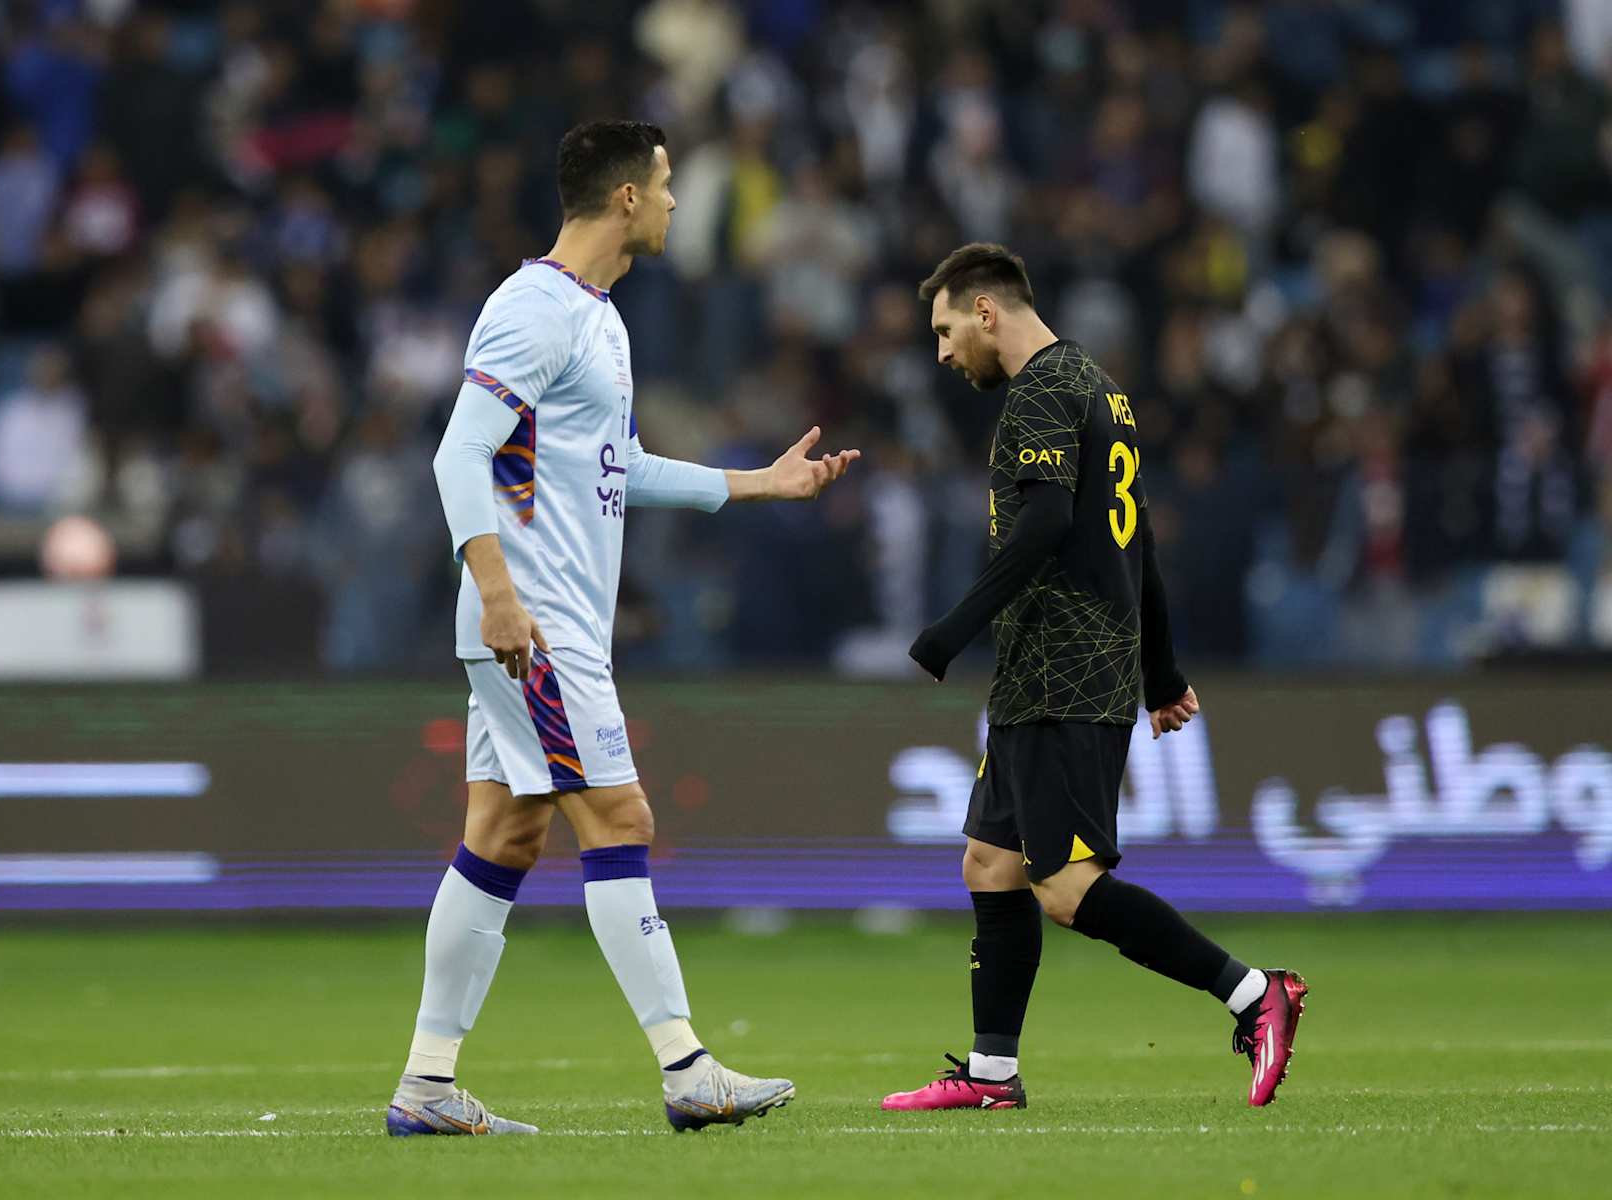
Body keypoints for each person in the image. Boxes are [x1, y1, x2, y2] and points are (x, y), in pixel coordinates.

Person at [395, 120, 860, 1137]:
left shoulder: (600, 319)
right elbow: (454, 458)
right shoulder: (532, 308)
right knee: (621, 822)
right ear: (625, 202)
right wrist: (502, 594)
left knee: (505, 833)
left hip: (539, 622)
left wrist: (757, 484)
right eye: (666, 185)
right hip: (533, 624)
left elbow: (624, 468)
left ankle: (427, 1087)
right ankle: (687, 1068)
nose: (677, 203)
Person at [881, 244, 1305, 1114]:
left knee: (1066, 889)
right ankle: (991, 1075)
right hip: (1070, 668)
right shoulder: (1101, 388)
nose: (942, 350)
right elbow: (1136, 541)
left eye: (944, 328)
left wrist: (948, 632)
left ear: (986, 311)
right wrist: (1160, 672)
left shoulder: (1039, 391)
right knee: (988, 862)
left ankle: (1254, 992)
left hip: (1061, 673)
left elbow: (1042, 527)